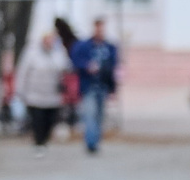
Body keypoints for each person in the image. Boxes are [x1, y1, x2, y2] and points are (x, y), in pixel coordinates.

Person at [69, 18, 119, 154]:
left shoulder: (109, 47)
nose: (100, 31)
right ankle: (91, 143)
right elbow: (75, 60)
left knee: (100, 116)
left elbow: (112, 68)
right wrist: (87, 66)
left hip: (103, 86)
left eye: (102, 29)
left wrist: (113, 89)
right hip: (89, 86)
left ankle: (96, 140)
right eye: (98, 28)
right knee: (90, 114)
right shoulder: (84, 46)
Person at [18, 30, 70, 148]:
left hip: (52, 95)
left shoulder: (58, 53)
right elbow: (23, 72)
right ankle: (38, 142)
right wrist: (20, 90)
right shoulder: (31, 53)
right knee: (38, 120)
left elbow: (65, 67)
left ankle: (44, 140)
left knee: (50, 120)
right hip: (35, 95)